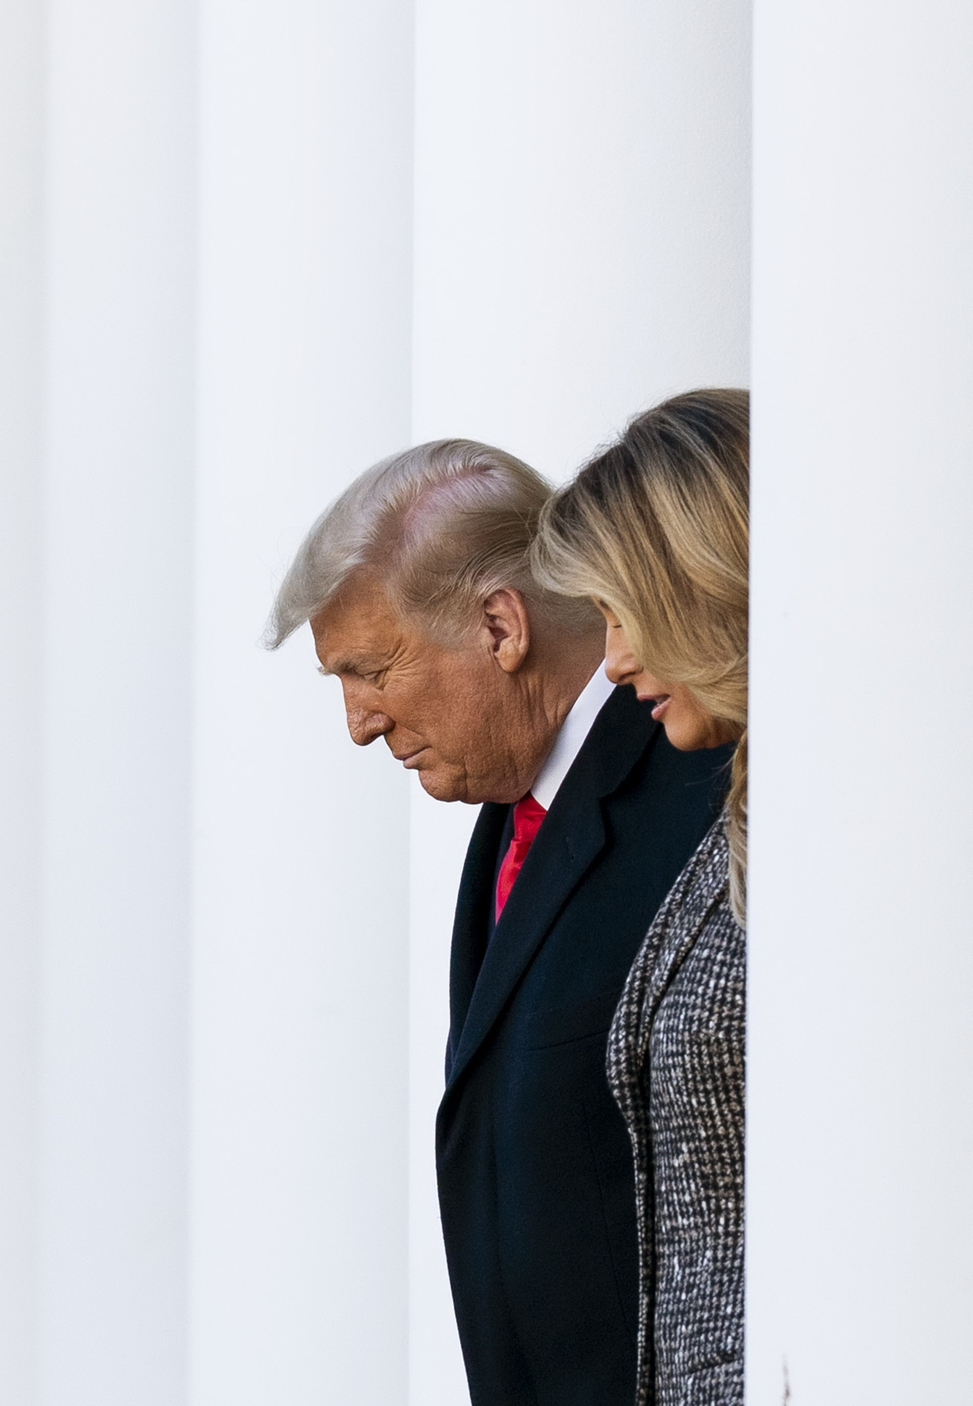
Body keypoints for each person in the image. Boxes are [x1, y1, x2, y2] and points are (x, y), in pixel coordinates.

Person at [265, 439, 731, 1404]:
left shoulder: (704, 778)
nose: (359, 721)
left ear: (499, 625)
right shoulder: (509, 813)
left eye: (372, 668)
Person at [531, 388, 749, 1406]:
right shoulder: (742, 822)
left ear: (694, 580)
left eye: (623, 611)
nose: (613, 660)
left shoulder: (852, 829)